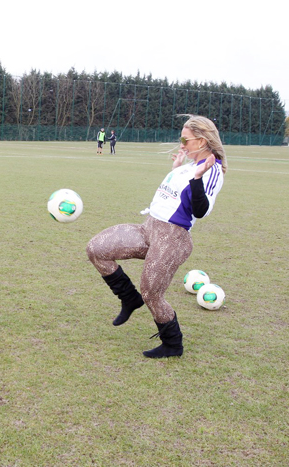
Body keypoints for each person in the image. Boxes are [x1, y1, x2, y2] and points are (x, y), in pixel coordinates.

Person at [86, 115, 226, 358]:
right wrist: (177, 170)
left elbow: (200, 210)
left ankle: (173, 344)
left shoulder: (211, 169)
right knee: (96, 248)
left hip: (172, 239)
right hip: (148, 228)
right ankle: (129, 298)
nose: (181, 143)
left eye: (186, 139)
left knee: (152, 293)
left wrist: (196, 179)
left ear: (202, 141)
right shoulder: (187, 166)